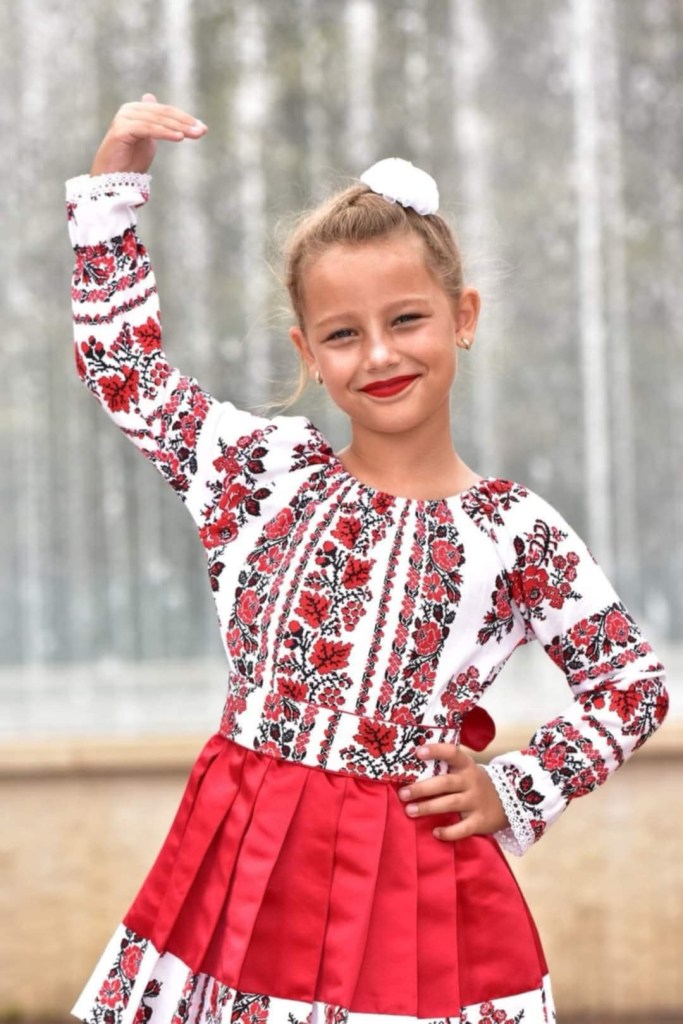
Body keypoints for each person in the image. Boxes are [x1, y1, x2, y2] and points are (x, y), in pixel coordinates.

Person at [65, 95, 669, 1024]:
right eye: (343, 334)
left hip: (408, 886)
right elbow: (126, 374)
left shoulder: (514, 531)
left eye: (407, 319)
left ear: (462, 317)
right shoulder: (259, 476)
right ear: (308, 352)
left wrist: (514, 787)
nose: (379, 355)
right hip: (241, 862)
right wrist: (114, 185)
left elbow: (629, 685)